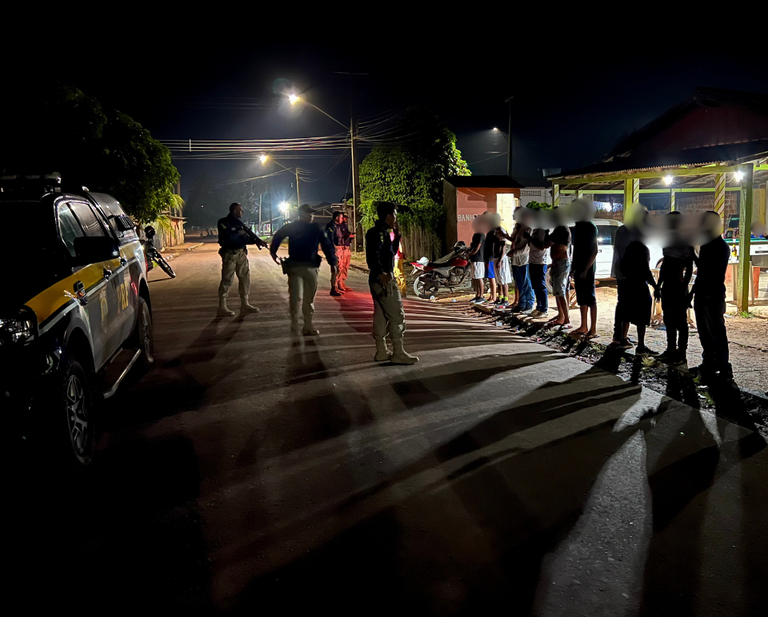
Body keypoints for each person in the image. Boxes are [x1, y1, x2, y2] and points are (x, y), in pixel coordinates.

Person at [270, 204, 338, 335]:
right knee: (301, 298)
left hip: (303, 266)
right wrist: (273, 252)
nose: (311, 216)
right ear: (301, 214)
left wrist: (332, 262)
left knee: (303, 298)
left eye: (312, 214)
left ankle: (302, 324)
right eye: (309, 214)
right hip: (302, 266)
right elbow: (278, 236)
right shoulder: (308, 227)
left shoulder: (305, 227)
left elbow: (326, 246)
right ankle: (300, 324)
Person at [365, 201, 418, 364]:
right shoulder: (379, 233)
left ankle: (381, 350)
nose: (396, 218)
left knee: (381, 315)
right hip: (384, 278)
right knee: (396, 315)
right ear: (388, 216)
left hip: (377, 278)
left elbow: (390, 254)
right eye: (394, 215)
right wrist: (382, 272)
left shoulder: (381, 232)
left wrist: (396, 237)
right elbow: (374, 254)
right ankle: (398, 352)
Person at [690, 211, 732, 382]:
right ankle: (714, 363)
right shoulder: (720, 245)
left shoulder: (713, 246)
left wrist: (692, 253)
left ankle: (721, 365)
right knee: (710, 330)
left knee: (712, 331)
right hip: (711, 293)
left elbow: (704, 270)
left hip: (709, 293)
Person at [217, 202, 268, 317]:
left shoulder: (240, 224)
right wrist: (238, 232)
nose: (242, 212)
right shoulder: (223, 222)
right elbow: (226, 237)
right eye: (240, 210)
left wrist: (257, 241)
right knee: (227, 280)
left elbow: (245, 239)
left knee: (245, 279)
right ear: (234, 211)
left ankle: (245, 303)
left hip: (241, 254)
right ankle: (222, 306)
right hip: (229, 254)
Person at [656, 212, 694, 363]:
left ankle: (682, 353)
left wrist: (684, 287)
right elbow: (665, 265)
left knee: (680, 321)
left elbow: (690, 267)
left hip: (678, 285)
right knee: (669, 319)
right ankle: (671, 349)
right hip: (669, 286)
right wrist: (659, 285)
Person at [528, 209, 571, 327]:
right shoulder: (559, 228)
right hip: (558, 262)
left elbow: (545, 244)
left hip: (561, 262)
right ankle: (561, 315)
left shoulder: (561, 228)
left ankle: (566, 319)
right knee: (558, 291)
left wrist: (545, 232)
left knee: (560, 291)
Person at [619, 238, 659, 355]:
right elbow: (646, 270)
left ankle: (623, 339)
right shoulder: (643, 249)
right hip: (640, 286)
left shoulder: (629, 248)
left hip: (628, 285)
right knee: (642, 317)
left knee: (626, 314)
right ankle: (641, 345)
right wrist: (655, 286)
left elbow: (623, 266)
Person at [570, 200, 599, 338]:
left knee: (590, 298)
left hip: (587, 269)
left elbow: (594, 251)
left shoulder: (590, 227)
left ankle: (593, 329)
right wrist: (574, 267)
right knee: (581, 298)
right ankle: (583, 325)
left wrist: (586, 269)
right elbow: (576, 249)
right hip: (578, 266)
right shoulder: (578, 226)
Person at [609, 220, 635, 349]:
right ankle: (621, 337)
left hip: (621, 271)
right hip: (629, 273)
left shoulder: (621, 230)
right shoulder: (632, 232)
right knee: (626, 306)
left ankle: (619, 335)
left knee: (622, 304)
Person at [528, 226, 550, 318]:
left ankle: (544, 309)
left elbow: (542, 246)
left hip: (540, 261)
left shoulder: (543, 230)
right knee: (535, 286)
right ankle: (539, 307)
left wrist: (529, 238)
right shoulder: (535, 229)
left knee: (541, 286)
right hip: (532, 260)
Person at [325, 211, 347, 296]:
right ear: (337, 217)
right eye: (341, 217)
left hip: (339, 249)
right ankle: (333, 288)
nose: (342, 219)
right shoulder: (331, 226)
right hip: (335, 250)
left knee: (339, 268)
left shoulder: (337, 226)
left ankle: (336, 286)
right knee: (335, 269)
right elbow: (329, 239)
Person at [467, 216, 486, 303]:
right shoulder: (476, 234)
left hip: (478, 258)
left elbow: (477, 247)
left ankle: (481, 295)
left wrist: (470, 254)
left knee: (479, 278)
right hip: (474, 258)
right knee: (475, 278)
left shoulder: (481, 234)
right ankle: (477, 295)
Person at [494, 227, 513, 308]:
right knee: (499, 281)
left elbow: (503, 251)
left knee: (503, 280)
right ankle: (500, 297)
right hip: (496, 259)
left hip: (501, 260)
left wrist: (500, 261)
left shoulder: (503, 242)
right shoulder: (497, 241)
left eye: (498, 232)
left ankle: (506, 299)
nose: (496, 233)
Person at [340, 212, 355, 291]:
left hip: (347, 247)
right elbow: (341, 237)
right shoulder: (339, 226)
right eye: (344, 217)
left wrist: (350, 236)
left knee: (346, 266)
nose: (346, 219)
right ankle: (340, 283)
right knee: (341, 266)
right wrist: (348, 236)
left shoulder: (344, 226)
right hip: (343, 248)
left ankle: (343, 282)